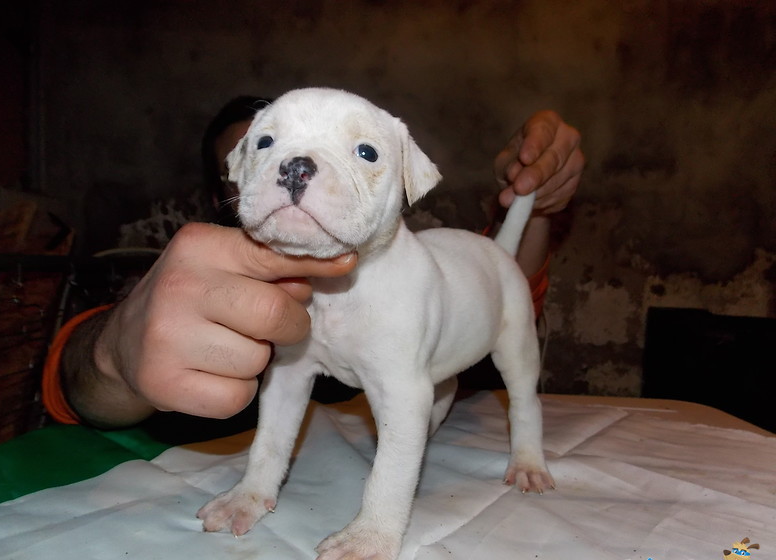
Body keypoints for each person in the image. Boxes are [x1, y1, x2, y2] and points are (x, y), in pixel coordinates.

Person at [42, 95, 584, 430]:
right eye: (266, 147)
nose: (296, 169)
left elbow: (490, 292)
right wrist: (113, 352)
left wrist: (534, 203)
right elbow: (72, 378)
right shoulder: (181, 277)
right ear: (220, 197)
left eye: (345, 152)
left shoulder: (409, 280)